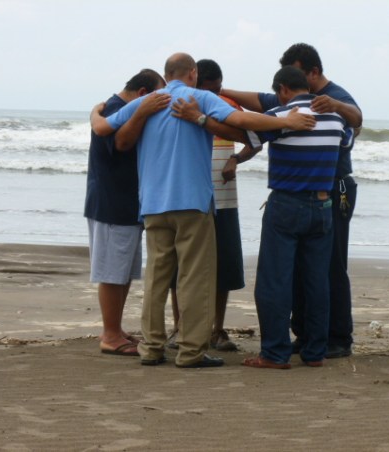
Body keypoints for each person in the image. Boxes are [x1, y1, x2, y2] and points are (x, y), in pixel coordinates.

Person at [94, 52, 316, 368]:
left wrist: (94, 112)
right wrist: (285, 122)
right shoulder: (199, 98)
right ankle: (190, 351)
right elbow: (239, 120)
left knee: (157, 278)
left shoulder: (148, 102)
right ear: (193, 73)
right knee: (195, 278)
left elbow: (104, 128)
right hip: (192, 202)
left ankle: (152, 347)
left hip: (154, 204)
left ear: (166, 74)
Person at [222, 43, 362, 359]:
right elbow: (261, 100)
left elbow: (250, 130)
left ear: (310, 74)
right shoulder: (327, 114)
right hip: (323, 199)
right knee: (314, 276)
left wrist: (205, 117)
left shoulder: (324, 102)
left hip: (320, 193)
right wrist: (220, 89)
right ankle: (314, 346)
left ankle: (319, 342)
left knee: (303, 273)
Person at [84, 69, 169, 357]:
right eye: (158, 97)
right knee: (111, 271)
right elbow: (120, 142)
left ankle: (115, 329)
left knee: (123, 271)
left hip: (126, 203)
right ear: (144, 94)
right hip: (112, 203)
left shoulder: (112, 109)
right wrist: (142, 113)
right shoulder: (114, 110)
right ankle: (110, 334)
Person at [167, 59, 250, 352]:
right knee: (182, 265)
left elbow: (253, 140)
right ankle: (179, 328)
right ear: (196, 82)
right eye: (211, 90)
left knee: (223, 264)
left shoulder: (226, 104)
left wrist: (235, 159)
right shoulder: (180, 104)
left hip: (224, 196)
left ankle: (217, 329)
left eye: (218, 89)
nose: (215, 95)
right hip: (191, 195)